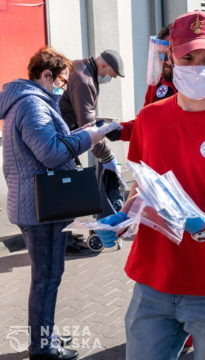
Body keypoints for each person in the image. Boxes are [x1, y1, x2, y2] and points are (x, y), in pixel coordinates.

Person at [94, 10, 205, 359]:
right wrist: (124, 219)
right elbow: (143, 187)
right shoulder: (149, 119)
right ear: (170, 58)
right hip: (153, 284)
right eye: (188, 57)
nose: (197, 67)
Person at [0, 47, 118, 360]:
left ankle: (45, 336)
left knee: (47, 276)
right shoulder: (32, 105)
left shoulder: (28, 102)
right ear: (45, 75)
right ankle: (43, 348)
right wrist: (92, 137)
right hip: (41, 209)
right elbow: (51, 153)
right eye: (61, 82)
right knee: (47, 278)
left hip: (37, 204)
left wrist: (84, 132)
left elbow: (52, 143)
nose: (63, 87)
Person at [112, 25, 205, 143]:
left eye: (168, 55)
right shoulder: (158, 83)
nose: (164, 61)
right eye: (160, 55)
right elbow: (146, 123)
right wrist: (119, 130)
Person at [58, 49, 125, 254]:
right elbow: (87, 127)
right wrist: (107, 156)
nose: (110, 80)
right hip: (64, 140)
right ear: (104, 66)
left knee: (66, 186)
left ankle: (65, 236)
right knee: (66, 187)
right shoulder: (85, 80)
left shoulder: (81, 66)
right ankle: (63, 240)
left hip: (66, 136)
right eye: (111, 75)